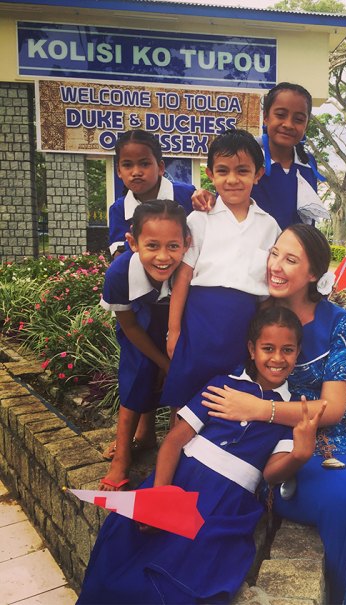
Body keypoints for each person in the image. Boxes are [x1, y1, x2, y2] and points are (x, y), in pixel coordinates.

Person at [202, 224, 346, 605]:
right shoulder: (252, 312)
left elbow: (333, 408)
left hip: (339, 438)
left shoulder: (336, 321)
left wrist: (262, 408)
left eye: (290, 259)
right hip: (274, 446)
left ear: (313, 275)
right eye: (274, 253)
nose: (275, 265)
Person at [77, 306, 326, 605]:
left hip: (224, 504)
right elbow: (172, 441)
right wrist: (159, 499)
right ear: (251, 348)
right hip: (177, 483)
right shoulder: (222, 385)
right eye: (268, 348)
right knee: (119, 541)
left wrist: (301, 452)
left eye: (287, 350)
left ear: (298, 352)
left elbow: (271, 474)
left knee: (179, 577)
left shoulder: (292, 414)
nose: (277, 358)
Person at [161, 129, 281, 410]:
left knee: (228, 398)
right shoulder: (200, 219)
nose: (232, 179)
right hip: (199, 322)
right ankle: (177, 452)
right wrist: (174, 330)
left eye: (242, 171)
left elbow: (269, 290)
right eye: (223, 171)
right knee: (186, 395)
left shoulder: (269, 226)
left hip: (242, 328)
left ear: (258, 174)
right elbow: (184, 276)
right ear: (211, 174)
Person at [99, 199, 191, 491]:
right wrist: (162, 363)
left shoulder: (189, 270)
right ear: (133, 242)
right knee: (137, 373)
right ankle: (122, 457)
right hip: (138, 330)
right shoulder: (119, 274)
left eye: (173, 246)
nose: (163, 257)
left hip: (179, 329)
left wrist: (172, 365)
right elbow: (130, 328)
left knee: (182, 380)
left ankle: (175, 454)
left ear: (186, 243)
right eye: (152, 245)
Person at [192, 82, 328, 229]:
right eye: (280, 115)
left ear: (306, 125)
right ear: (266, 117)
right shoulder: (248, 156)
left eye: (299, 119)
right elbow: (227, 190)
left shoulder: (308, 163)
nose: (288, 124)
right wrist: (206, 196)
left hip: (293, 250)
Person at [108, 129, 195, 259]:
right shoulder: (119, 209)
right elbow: (119, 256)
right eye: (127, 165)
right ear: (119, 171)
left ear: (160, 167)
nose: (136, 172)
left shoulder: (188, 195)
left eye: (144, 164)